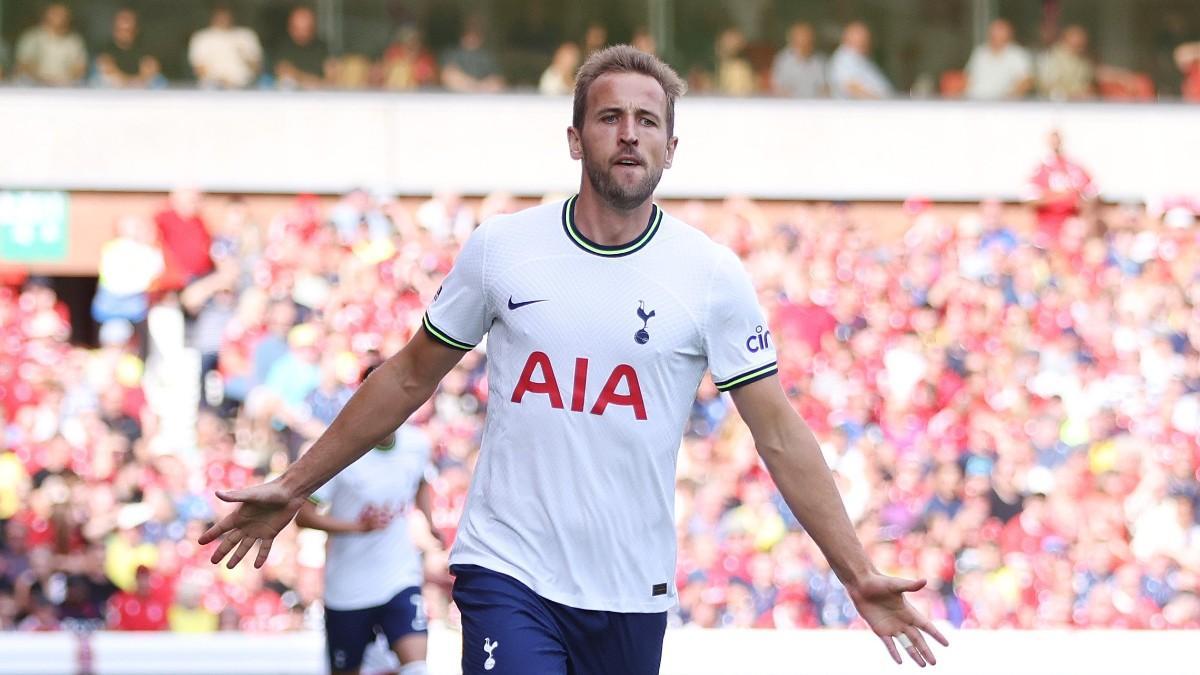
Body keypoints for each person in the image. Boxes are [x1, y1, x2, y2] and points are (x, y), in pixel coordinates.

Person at [201, 45, 948, 673]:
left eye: (647, 121)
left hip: (631, 592)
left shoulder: (711, 275)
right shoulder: (503, 248)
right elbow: (406, 375)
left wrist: (855, 571)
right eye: (610, 117)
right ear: (574, 137)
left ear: (671, 148)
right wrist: (298, 482)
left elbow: (780, 434)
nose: (629, 134)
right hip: (508, 571)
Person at [294, 362, 438, 675]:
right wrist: (357, 527)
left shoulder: (416, 444)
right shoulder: (337, 451)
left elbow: (421, 481)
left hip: (400, 576)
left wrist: (429, 521)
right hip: (349, 588)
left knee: (417, 668)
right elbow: (303, 516)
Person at [1024, 129, 1096, 247]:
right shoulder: (1040, 169)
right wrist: (1061, 196)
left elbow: (1092, 194)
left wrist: (1084, 220)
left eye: (1057, 140)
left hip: (1072, 235)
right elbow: (1029, 200)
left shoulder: (1074, 167)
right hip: (1047, 234)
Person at [188, 3, 263, 89]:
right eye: (220, 15)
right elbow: (198, 68)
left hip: (245, 87)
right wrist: (220, 82)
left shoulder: (247, 35)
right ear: (213, 16)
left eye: (226, 15)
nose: (223, 18)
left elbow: (257, 67)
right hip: (213, 88)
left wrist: (244, 55)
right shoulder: (202, 37)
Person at [14, 3, 86, 86]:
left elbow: (80, 69)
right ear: (46, 16)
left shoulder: (75, 41)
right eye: (56, 14)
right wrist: (43, 80)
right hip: (34, 86)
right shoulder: (31, 37)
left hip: (65, 86)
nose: (60, 18)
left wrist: (61, 81)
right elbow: (22, 65)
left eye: (63, 15)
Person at [93, 8, 164, 89]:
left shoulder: (146, 47)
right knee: (99, 80)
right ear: (114, 30)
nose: (123, 34)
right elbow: (106, 68)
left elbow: (151, 68)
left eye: (128, 30)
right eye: (120, 30)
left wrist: (136, 81)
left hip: (140, 87)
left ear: (136, 30)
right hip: (115, 86)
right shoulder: (105, 48)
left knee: (158, 81)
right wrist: (126, 81)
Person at [964, 19, 1033, 100]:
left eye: (1000, 31)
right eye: (994, 32)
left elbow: (1026, 82)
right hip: (974, 103)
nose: (996, 35)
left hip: (1002, 106)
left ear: (1009, 34)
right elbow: (967, 78)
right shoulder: (980, 52)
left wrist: (1008, 98)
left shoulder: (1017, 54)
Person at [272, 5, 335, 90]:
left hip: (320, 98)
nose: (301, 32)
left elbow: (332, 81)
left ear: (313, 27)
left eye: (306, 28)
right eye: (297, 28)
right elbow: (284, 74)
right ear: (290, 27)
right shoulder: (283, 47)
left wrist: (298, 76)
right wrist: (314, 81)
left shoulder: (322, 47)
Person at [440, 17, 504, 93]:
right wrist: (471, 84)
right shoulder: (452, 53)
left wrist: (481, 85)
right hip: (458, 92)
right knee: (451, 75)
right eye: (469, 34)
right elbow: (446, 74)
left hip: (482, 92)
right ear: (462, 36)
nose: (471, 37)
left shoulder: (487, 57)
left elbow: (499, 79)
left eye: (475, 34)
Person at [829, 21, 892, 98]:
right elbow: (851, 87)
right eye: (862, 38)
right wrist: (881, 101)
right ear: (848, 38)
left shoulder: (860, 57)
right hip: (863, 108)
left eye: (867, 38)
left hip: (882, 106)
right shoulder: (844, 58)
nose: (867, 41)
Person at [770, 22, 828, 98]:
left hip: (816, 106)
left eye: (808, 37)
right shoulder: (783, 60)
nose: (806, 40)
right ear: (792, 39)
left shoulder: (819, 60)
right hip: (791, 107)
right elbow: (777, 88)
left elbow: (824, 88)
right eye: (802, 37)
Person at [1037, 25, 1094, 100]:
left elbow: (1087, 85)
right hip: (1052, 106)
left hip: (1080, 105)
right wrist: (1071, 95)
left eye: (1082, 38)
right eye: (1076, 37)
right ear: (1065, 38)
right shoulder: (1049, 57)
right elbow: (1046, 87)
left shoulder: (1084, 61)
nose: (1080, 41)